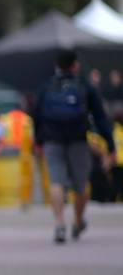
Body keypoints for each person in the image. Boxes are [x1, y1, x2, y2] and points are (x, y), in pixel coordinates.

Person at [32, 50, 116, 243]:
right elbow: (100, 118)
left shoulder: (47, 87)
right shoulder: (85, 86)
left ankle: (59, 224)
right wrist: (110, 144)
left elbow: (36, 115)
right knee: (81, 184)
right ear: (75, 65)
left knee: (56, 181)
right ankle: (77, 221)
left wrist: (38, 140)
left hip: (52, 140)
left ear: (57, 64)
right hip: (78, 140)